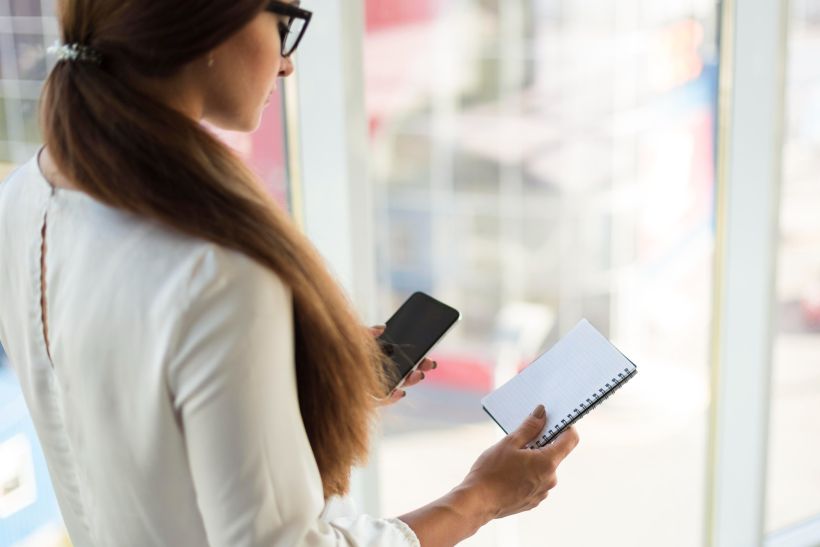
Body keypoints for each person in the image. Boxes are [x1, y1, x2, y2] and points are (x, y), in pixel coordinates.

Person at [0, 1, 579, 545]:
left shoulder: (22, 200)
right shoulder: (220, 275)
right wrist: (478, 500)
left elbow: (138, 435)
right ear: (213, 21)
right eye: (284, 22)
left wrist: (295, 377)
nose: (286, 62)